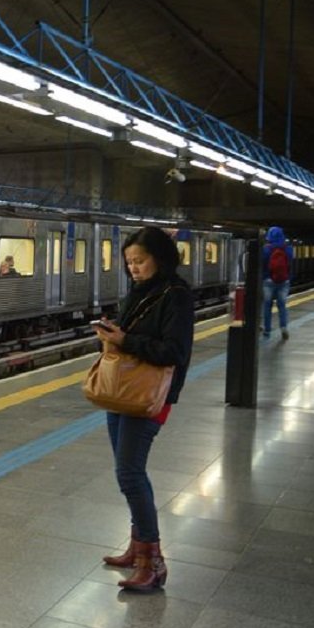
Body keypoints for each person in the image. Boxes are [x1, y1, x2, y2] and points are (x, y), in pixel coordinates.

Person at [91, 227, 194, 592]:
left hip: (149, 396)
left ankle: (154, 562)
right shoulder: (138, 292)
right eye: (129, 262)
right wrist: (115, 333)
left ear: (160, 258)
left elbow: (174, 352)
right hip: (122, 392)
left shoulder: (176, 296)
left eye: (140, 261)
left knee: (129, 474)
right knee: (130, 473)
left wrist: (126, 340)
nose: (133, 268)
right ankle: (137, 549)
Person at [260, 225, 294, 340]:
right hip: (284, 281)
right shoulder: (288, 248)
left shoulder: (266, 248)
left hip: (268, 280)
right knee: (282, 306)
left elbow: (262, 264)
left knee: (267, 306)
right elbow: (290, 263)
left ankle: (267, 330)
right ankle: (283, 327)